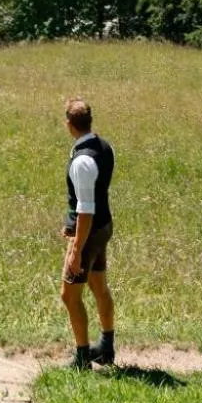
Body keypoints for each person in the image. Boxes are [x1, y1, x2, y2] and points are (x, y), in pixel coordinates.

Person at [60, 97, 115, 369]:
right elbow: (96, 194)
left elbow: (85, 210)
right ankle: (106, 347)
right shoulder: (106, 147)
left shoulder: (81, 161)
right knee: (99, 286)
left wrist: (76, 251)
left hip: (89, 233)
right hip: (104, 227)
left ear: (69, 124)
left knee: (69, 295)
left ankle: (82, 357)